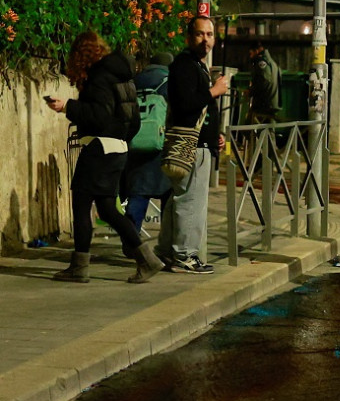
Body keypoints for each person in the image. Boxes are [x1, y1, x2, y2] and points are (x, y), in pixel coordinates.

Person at [44, 32, 165, 284]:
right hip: (118, 148)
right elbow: (133, 121)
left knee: (81, 204)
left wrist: (67, 106)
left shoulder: (99, 77)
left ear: (82, 54)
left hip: (98, 148)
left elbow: (98, 115)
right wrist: (120, 139)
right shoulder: (123, 78)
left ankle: (80, 267)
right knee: (108, 209)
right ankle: (147, 259)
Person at [157, 16, 229, 275]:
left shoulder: (196, 66)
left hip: (199, 143)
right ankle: (186, 256)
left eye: (210, 34)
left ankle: (166, 250)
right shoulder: (184, 66)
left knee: (179, 199)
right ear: (189, 37)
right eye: (201, 34)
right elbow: (187, 104)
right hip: (192, 146)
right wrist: (215, 91)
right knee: (191, 202)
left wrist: (215, 135)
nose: (206, 40)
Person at [123, 52, 173, 235]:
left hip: (136, 143)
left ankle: (131, 238)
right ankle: (167, 240)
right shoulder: (170, 81)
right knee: (169, 195)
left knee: (138, 192)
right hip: (162, 145)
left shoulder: (136, 80)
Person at [246, 41, 282, 124]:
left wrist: (251, 91)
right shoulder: (273, 63)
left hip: (263, 105)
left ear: (256, 51)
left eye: (251, 53)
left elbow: (264, 81)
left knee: (248, 127)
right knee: (268, 131)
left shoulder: (261, 62)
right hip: (273, 103)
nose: (251, 57)